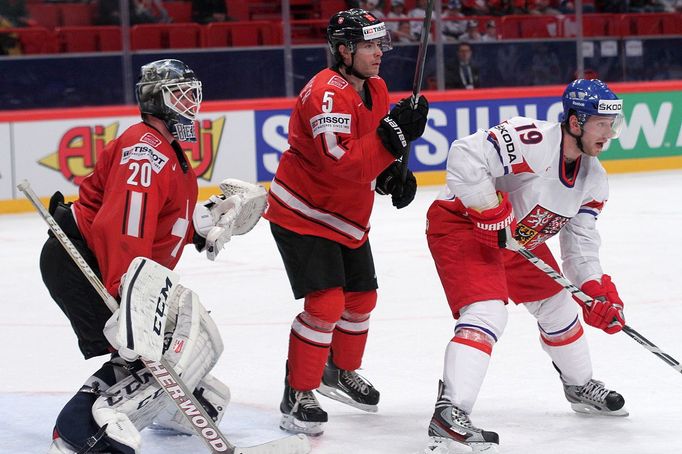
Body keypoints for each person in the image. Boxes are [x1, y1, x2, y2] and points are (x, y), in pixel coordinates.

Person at [41, 59, 246, 453]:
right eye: (179, 94)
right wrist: (129, 299)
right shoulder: (144, 150)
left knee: (184, 333)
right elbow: (124, 228)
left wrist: (200, 230)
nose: (190, 103)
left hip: (109, 262)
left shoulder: (168, 151)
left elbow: (160, 224)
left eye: (192, 93)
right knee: (145, 349)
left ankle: (169, 410)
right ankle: (80, 432)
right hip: (86, 262)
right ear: (155, 99)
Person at [424, 79, 628, 452]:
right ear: (575, 122)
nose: (610, 133)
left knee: (560, 305)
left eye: (613, 123)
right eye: (601, 123)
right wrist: (488, 209)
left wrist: (594, 289)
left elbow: (580, 244)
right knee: (487, 312)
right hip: (462, 225)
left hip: (516, 241)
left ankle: (579, 385)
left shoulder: (593, 178)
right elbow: (464, 155)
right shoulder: (532, 139)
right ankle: (449, 413)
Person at [263, 8, 429, 437]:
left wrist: (393, 171)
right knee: (325, 305)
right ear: (343, 50)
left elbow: (370, 147)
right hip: (302, 212)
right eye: (370, 46)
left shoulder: (375, 86)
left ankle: (338, 370)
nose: (379, 54)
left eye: (380, 44)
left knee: (362, 300)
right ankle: (297, 392)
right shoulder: (325, 94)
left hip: (347, 215)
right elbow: (340, 162)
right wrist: (392, 137)